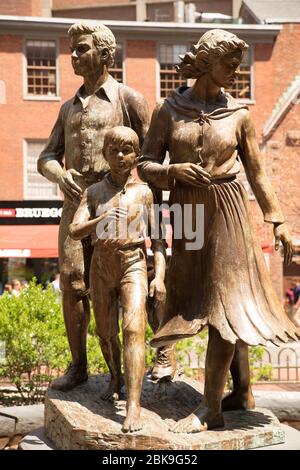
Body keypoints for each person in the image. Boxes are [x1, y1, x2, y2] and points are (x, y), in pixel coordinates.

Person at [138, 29, 300, 433]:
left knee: (229, 299)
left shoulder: (240, 115)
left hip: (228, 210)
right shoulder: (168, 110)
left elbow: (258, 175)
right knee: (197, 298)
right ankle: (243, 390)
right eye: (230, 63)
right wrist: (172, 170)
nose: (236, 71)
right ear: (207, 62)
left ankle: (211, 407)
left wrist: (277, 221)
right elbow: (144, 165)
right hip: (189, 212)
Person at [37, 22, 158, 391]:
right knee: (74, 283)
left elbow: (151, 156)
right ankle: (79, 366)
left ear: (105, 55)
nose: (73, 55)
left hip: (119, 207)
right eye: (72, 49)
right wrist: (59, 175)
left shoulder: (129, 99)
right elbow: (45, 157)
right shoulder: (67, 109)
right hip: (76, 206)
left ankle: (159, 358)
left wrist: (145, 208)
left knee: (130, 284)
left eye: (81, 49)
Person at [69, 126, 167, 432]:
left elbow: (159, 241)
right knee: (106, 332)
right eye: (114, 151)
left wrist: (159, 276)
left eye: (127, 151)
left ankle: (134, 405)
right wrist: (100, 221)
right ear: (105, 154)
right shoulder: (94, 192)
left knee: (134, 329)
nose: (121, 157)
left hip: (133, 263)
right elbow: (74, 230)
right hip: (102, 266)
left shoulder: (145, 193)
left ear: (137, 155)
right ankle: (115, 376)